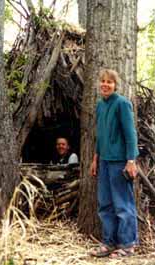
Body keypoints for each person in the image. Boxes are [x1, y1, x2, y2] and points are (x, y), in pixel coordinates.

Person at [90, 69, 139, 258]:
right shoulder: (100, 106)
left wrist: (131, 161)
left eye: (109, 82)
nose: (105, 84)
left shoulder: (122, 104)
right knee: (105, 204)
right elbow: (100, 136)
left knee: (123, 204)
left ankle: (127, 245)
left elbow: (130, 134)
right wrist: (95, 158)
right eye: (102, 81)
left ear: (115, 85)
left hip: (120, 163)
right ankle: (108, 242)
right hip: (104, 161)